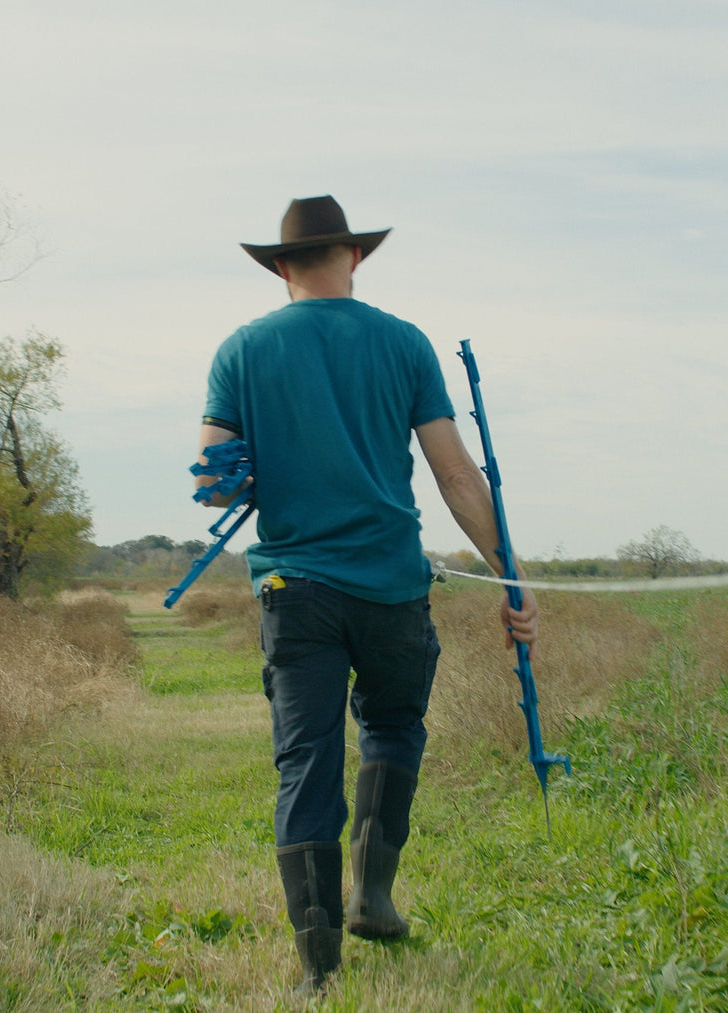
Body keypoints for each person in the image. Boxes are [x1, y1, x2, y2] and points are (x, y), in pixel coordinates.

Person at [195, 195, 538, 995]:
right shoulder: (405, 343)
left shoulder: (240, 351)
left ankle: (317, 964)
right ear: (354, 257)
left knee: (306, 760)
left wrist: (250, 469)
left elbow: (213, 485)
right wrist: (509, 572)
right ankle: (373, 895)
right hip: (391, 586)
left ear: (280, 267)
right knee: (391, 727)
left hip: (295, 588)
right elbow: (456, 473)